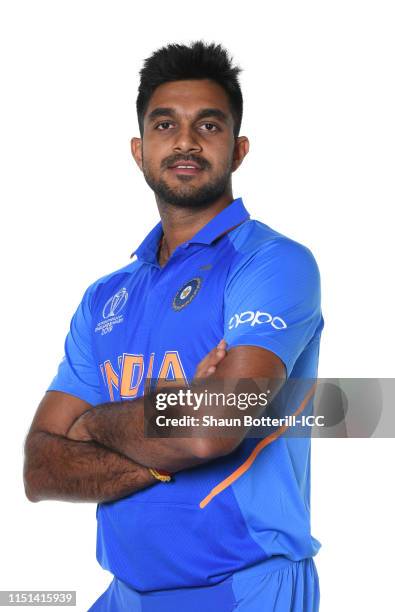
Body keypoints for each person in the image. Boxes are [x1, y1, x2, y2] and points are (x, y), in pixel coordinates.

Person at [23, 41, 324, 611]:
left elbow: (211, 431)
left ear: (238, 150)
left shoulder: (272, 264)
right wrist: (169, 436)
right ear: (140, 150)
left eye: (207, 125)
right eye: (166, 124)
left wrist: (89, 424)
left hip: (244, 586)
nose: (186, 140)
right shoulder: (105, 297)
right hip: (126, 593)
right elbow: (39, 468)